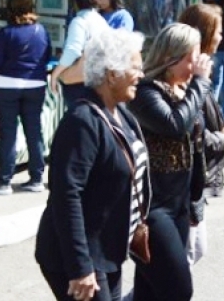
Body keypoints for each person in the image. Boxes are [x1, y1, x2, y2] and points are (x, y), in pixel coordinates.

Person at [35, 29, 147, 301]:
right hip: (79, 257)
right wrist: (80, 268)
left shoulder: (121, 114)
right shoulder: (82, 122)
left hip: (107, 252)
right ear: (111, 74)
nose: (142, 75)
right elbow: (66, 196)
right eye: (135, 68)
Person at [129, 23, 211, 301]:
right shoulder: (145, 91)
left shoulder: (182, 90)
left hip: (178, 203)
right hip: (152, 209)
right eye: (190, 59)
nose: (195, 66)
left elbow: (196, 133)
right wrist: (200, 82)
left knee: (150, 290)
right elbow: (175, 124)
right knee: (178, 290)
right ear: (169, 58)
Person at [177, 4, 224, 264]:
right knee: (186, 257)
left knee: (191, 253)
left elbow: (214, 117)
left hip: (197, 182)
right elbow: (191, 131)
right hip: (183, 184)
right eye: (218, 31)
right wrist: (223, 139)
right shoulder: (189, 77)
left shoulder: (202, 74)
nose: (221, 37)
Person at [0, 0, 53, 195]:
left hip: (7, 86)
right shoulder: (42, 31)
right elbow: (47, 55)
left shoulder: (6, 33)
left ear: (11, 9)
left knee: (8, 133)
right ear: (32, 7)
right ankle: (37, 179)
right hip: (35, 85)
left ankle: (4, 181)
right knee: (34, 132)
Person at [51, 0, 110, 109]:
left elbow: (72, 51)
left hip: (79, 84)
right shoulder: (102, 22)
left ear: (76, 3)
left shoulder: (79, 22)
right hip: (98, 81)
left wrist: (55, 74)